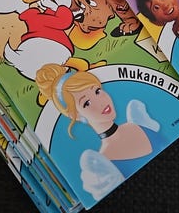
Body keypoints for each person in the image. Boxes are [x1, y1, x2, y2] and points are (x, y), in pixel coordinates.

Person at [35, 63, 164, 199]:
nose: (101, 101)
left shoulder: (138, 120)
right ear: (75, 116)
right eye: (87, 103)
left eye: (97, 91)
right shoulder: (101, 167)